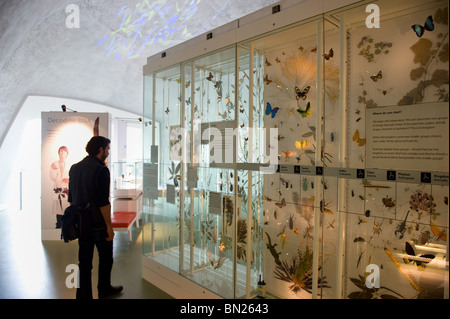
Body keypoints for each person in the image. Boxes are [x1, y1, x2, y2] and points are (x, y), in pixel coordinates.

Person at [68, 136, 123, 299]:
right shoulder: (101, 170)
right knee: (106, 258)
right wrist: (109, 227)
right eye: (107, 148)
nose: (108, 151)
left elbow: (71, 197)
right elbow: (102, 202)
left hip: (81, 222)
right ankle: (104, 289)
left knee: (84, 262)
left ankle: (83, 295)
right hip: (97, 224)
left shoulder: (75, 168)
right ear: (100, 149)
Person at [50, 146, 70, 228]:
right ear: (58, 154)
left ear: (66, 154)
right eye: (60, 153)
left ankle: (67, 226)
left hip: (66, 190)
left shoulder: (69, 165)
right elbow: (52, 176)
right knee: (58, 211)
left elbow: (71, 176)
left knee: (66, 209)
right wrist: (55, 170)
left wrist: (68, 179)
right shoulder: (54, 164)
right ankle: (58, 226)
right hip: (58, 189)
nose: (62, 155)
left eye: (63, 153)